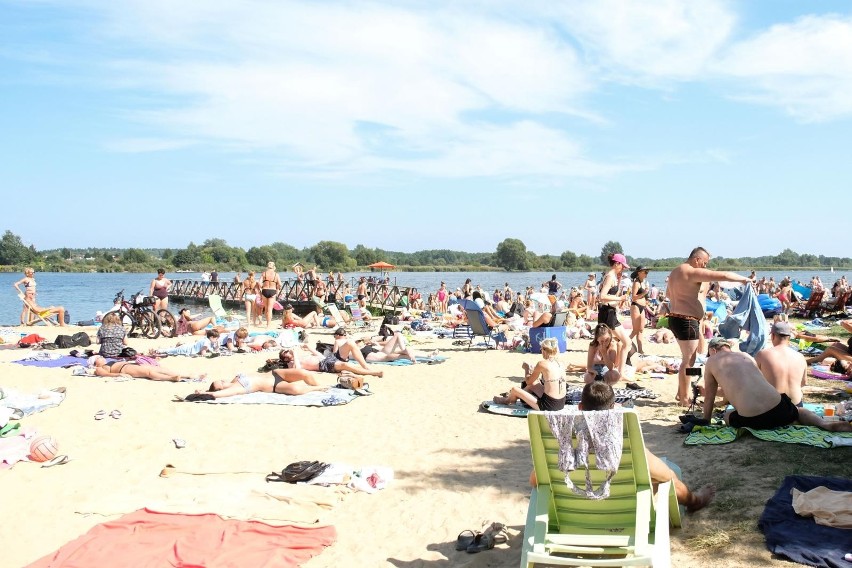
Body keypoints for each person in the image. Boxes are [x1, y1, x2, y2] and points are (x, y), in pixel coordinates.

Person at [568, 382, 716, 512]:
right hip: (625, 507)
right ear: (613, 407)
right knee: (670, 474)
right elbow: (666, 475)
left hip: (576, 507)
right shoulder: (622, 438)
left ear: (580, 407)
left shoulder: (562, 437)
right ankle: (695, 502)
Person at [702, 337, 850, 431]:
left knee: (728, 415)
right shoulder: (745, 355)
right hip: (779, 410)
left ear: (713, 350)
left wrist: (706, 420)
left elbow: (709, 397)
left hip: (752, 420)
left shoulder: (711, 361)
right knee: (798, 411)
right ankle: (823, 424)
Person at [666, 247, 752, 406]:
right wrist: (745, 280)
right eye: (704, 263)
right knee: (688, 361)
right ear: (696, 259)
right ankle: (685, 399)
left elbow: (668, 295)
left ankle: (681, 392)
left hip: (675, 318)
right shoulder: (691, 271)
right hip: (687, 320)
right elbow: (723, 275)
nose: (705, 267)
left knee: (688, 359)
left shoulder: (675, 272)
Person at [492, 337, 566, 411]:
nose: (541, 351)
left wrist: (526, 369)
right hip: (561, 403)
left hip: (548, 406)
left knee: (514, 389)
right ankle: (512, 397)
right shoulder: (561, 363)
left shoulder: (542, 364)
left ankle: (508, 400)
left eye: (541, 349)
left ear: (544, 350)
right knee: (533, 384)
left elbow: (528, 381)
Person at [596, 253, 633, 377]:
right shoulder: (610, 276)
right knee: (625, 342)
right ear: (617, 263)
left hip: (610, 312)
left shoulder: (613, 276)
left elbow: (607, 297)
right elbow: (602, 296)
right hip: (608, 314)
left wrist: (618, 297)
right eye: (622, 266)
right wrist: (620, 298)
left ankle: (618, 370)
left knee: (620, 343)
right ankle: (620, 372)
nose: (623, 268)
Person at [755, 321, 807, 406]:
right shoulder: (800, 356)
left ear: (773, 336)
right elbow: (803, 383)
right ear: (789, 337)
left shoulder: (762, 354)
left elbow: (753, 381)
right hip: (795, 406)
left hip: (772, 407)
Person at [284, 340, 384, 377]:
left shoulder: (300, 357)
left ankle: (365, 366)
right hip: (325, 365)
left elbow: (321, 356)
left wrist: (309, 348)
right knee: (345, 365)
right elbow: (296, 371)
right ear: (285, 359)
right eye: (285, 353)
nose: (288, 351)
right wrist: (295, 354)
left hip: (328, 358)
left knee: (350, 343)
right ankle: (374, 373)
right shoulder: (291, 364)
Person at [201, 372, 329, 399]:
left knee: (305, 374)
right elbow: (219, 394)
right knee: (296, 389)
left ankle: (324, 387)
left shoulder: (235, 378)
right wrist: (205, 393)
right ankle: (318, 388)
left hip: (275, 373)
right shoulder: (236, 388)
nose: (223, 381)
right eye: (221, 384)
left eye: (220, 380)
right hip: (274, 385)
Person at [89, 355, 202, 382]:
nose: (101, 357)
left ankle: (188, 375)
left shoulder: (108, 362)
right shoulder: (98, 368)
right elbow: (104, 374)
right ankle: (171, 378)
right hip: (123, 369)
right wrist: (118, 375)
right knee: (149, 372)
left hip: (129, 365)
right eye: (98, 358)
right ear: (95, 363)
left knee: (160, 369)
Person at [349, 332, 438, 364]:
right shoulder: (352, 350)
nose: (360, 342)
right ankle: (425, 357)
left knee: (398, 335)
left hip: (378, 351)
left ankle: (427, 355)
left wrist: (375, 343)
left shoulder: (367, 345)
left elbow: (380, 347)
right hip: (371, 356)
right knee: (401, 355)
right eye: (358, 341)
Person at [151, 329, 219, 357]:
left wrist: (217, 346)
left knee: (173, 350)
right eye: (216, 339)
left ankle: (160, 350)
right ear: (212, 337)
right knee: (172, 351)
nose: (216, 340)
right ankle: (158, 351)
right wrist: (210, 355)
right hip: (187, 349)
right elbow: (203, 353)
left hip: (188, 346)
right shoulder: (207, 342)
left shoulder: (205, 339)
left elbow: (212, 349)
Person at [629, 266, 650, 355]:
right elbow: (633, 297)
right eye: (645, 272)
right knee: (635, 330)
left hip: (642, 307)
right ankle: (623, 342)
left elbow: (643, 295)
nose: (646, 274)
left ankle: (640, 350)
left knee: (641, 330)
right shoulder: (636, 283)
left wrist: (646, 298)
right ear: (639, 273)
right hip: (636, 306)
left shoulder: (643, 283)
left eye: (647, 272)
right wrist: (644, 293)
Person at [260, 261, 282, 329]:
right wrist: (277, 289)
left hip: (265, 290)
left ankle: (267, 323)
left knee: (266, 308)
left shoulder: (264, 273)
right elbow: (280, 284)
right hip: (272, 291)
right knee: (270, 309)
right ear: (274, 267)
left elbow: (259, 283)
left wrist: (261, 288)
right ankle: (268, 325)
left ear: (267, 266)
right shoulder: (276, 274)